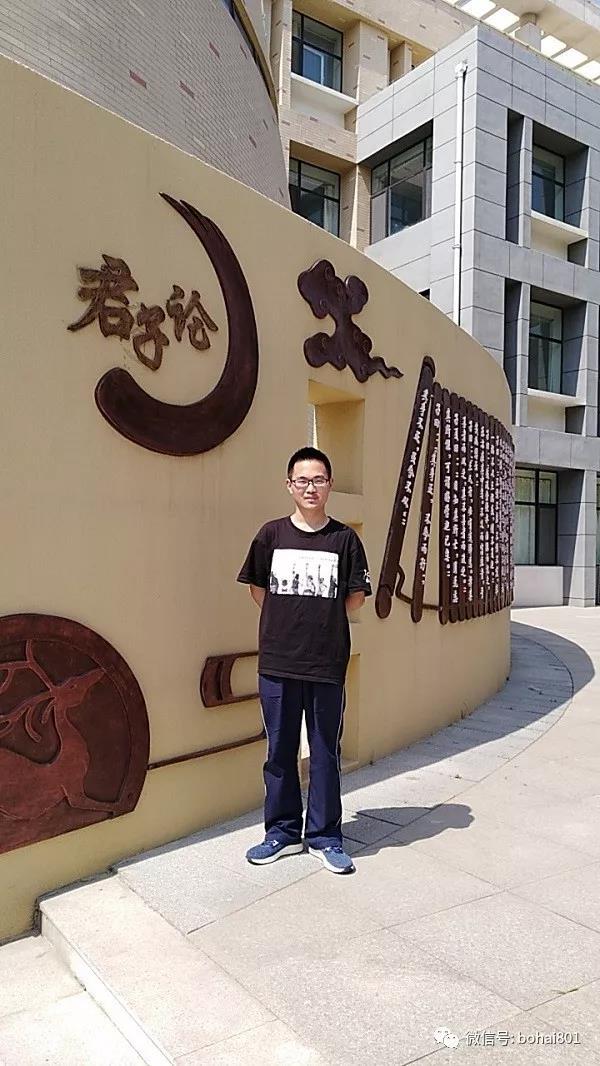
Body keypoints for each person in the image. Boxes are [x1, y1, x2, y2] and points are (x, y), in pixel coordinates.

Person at [237, 446, 372, 874]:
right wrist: (288, 620)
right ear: (289, 485)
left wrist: (319, 620)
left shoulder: (345, 540)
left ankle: (325, 836)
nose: (310, 487)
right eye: (303, 480)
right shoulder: (271, 535)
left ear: (329, 485)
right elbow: (258, 589)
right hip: (278, 662)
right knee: (279, 750)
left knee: (325, 751)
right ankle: (281, 832)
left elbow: (354, 598)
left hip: (326, 663)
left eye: (318, 480)